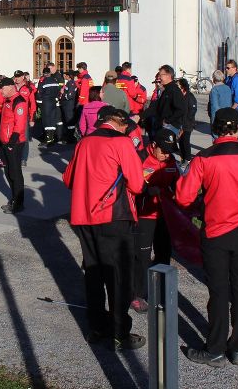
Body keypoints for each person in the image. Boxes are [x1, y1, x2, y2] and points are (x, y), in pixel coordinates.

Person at [175, 107, 238, 368]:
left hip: (214, 232)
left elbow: (184, 197)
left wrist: (201, 200)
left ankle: (216, 348)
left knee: (219, 290)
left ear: (214, 131)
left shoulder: (204, 159)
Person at [64, 106, 147, 351]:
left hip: (84, 215)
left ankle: (97, 326)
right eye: (126, 125)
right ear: (119, 123)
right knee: (118, 275)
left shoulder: (84, 142)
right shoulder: (121, 143)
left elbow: (68, 179)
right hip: (112, 214)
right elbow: (137, 183)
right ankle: (120, 332)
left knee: (94, 271)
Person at [131, 129, 180, 313]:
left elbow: (177, 182)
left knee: (163, 253)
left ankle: (162, 291)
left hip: (164, 214)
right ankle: (137, 294)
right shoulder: (140, 158)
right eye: (164, 150)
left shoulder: (171, 161)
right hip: (144, 215)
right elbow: (130, 184)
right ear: (153, 145)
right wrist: (146, 190)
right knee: (141, 257)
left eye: (170, 150)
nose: (167, 154)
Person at [0, 78, 27, 214]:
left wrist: (11, 142)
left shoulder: (18, 101)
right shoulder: (7, 101)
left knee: (15, 174)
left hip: (14, 143)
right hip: (5, 142)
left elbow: (20, 125)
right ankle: (14, 198)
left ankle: (18, 203)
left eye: (2, 88)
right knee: (9, 173)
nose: (1, 91)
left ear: (10, 87)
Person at [153, 65, 185, 136]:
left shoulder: (174, 90)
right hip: (165, 125)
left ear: (168, 75)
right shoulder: (166, 90)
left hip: (170, 126)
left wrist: (167, 121)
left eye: (161, 75)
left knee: (165, 147)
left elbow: (181, 109)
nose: (159, 77)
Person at [37, 62, 64, 144]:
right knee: (53, 120)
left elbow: (39, 94)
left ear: (44, 74)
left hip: (46, 104)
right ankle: (52, 138)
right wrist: (56, 98)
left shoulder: (43, 82)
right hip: (54, 103)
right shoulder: (55, 81)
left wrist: (39, 104)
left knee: (46, 120)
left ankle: (49, 139)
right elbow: (59, 91)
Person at [177, 78, 197, 161]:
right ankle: (183, 158)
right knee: (180, 142)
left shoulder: (190, 96)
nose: (176, 86)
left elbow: (193, 110)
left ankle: (188, 159)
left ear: (182, 86)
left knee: (185, 141)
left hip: (187, 124)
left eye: (178, 85)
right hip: (180, 123)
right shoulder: (179, 96)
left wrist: (185, 123)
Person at [207, 70, 231, 138]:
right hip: (227, 116)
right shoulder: (228, 88)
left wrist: (213, 121)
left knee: (216, 137)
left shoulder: (214, 90)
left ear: (214, 78)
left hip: (218, 117)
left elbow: (214, 106)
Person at [60, 70, 79, 142]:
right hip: (66, 105)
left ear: (69, 76)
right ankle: (69, 136)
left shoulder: (71, 83)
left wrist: (63, 93)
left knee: (70, 121)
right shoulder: (68, 83)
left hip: (69, 105)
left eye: (66, 75)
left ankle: (71, 138)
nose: (65, 76)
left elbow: (70, 95)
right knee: (67, 121)